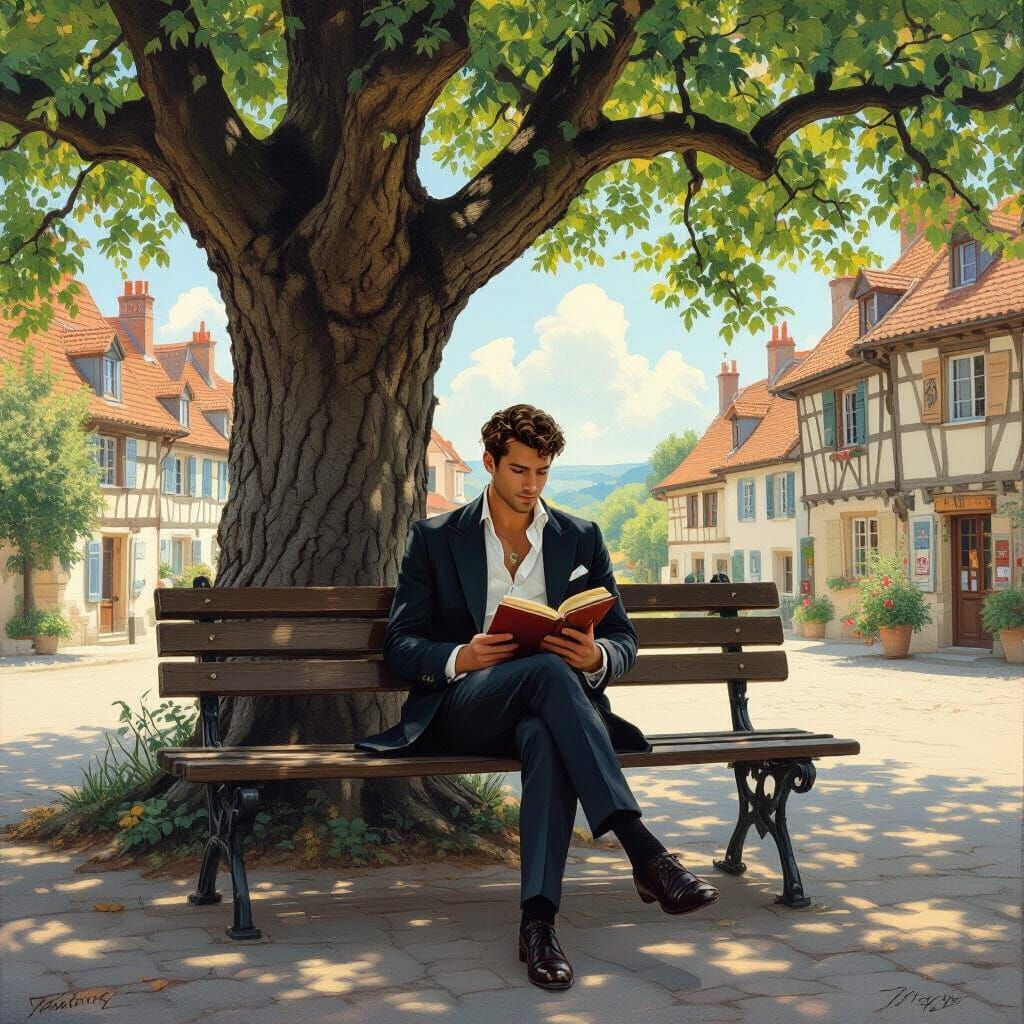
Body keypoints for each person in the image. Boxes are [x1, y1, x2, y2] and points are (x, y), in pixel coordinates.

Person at [356, 404, 719, 991]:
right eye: (520, 470)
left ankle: (539, 926)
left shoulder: (580, 537)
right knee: (549, 675)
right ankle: (644, 850)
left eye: (543, 472)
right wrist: (461, 656)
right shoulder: (435, 538)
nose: (531, 485)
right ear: (489, 464)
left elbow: (624, 638)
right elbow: (400, 645)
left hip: (549, 714)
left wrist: (597, 657)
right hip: (464, 708)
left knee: (545, 732)